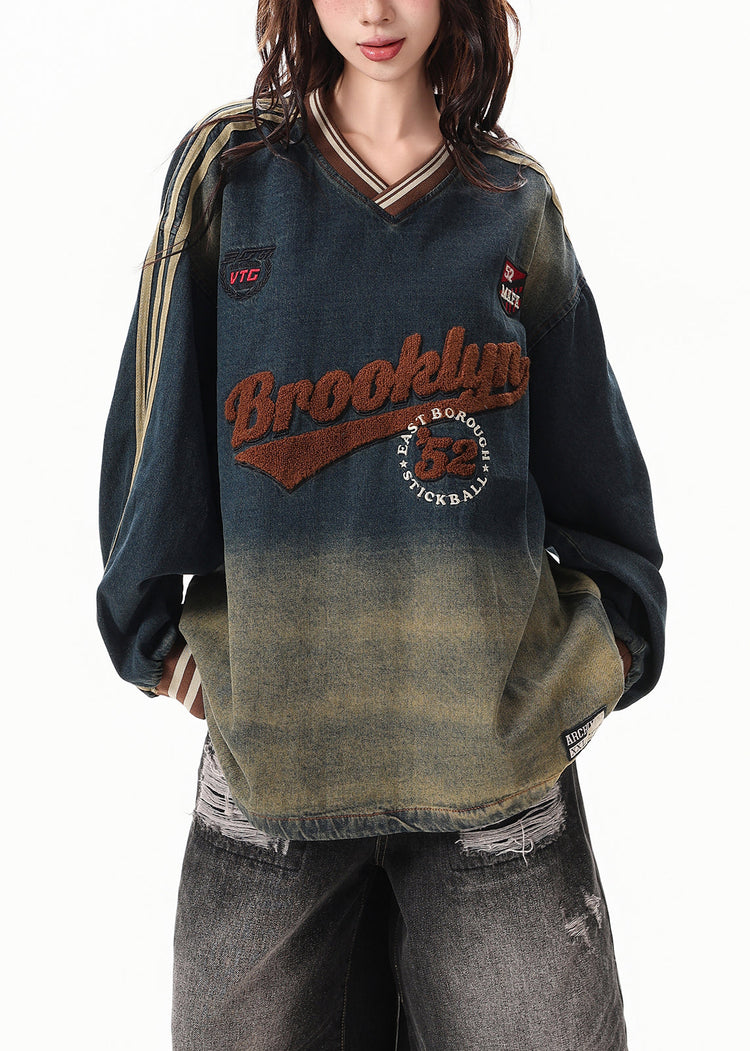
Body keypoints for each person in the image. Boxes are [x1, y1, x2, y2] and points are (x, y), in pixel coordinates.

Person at [96, 1, 667, 1048]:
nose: (374, 11)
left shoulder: (513, 204)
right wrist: (155, 642)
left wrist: (599, 663)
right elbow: (155, 424)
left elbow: (602, 489)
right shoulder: (230, 178)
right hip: (274, 766)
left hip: (489, 775)